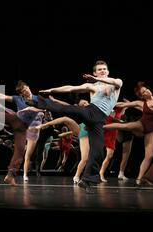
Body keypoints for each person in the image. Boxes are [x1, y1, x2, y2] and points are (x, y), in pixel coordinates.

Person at [38, 60, 123, 193]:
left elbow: (116, 82)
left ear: (108, 71)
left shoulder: (116, 82)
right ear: (95, 72)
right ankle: (39, 101)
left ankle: (87, 181)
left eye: (104, 69)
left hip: (99, 120)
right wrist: (51, 90)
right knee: (68, 110)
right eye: (99, 69)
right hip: (91, 111)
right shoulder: (93, 87)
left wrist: (95, 78)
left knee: (98, 152)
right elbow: (70, 88)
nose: (102, 71)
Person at [104, 82, 153, 186]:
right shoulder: (142, 103)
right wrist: (109, 103)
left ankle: (141, 179)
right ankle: (101, 126)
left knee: (150, 156)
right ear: (142, 96)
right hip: (143, 125)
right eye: (143, 92)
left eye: (146, 89)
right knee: (124, 126)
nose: (146, 91)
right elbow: (125, 104)